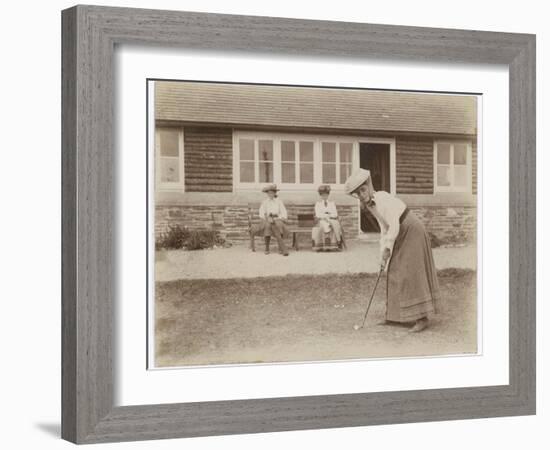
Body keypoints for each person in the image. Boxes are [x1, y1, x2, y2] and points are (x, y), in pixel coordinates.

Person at [344, 168, 442, 332]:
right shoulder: (370, 206)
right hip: (399, 231)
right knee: (394, 270)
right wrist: (383, 254)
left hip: (412, 229)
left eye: (363, 190)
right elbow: (384, 228)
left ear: (369, 186)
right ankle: (395, 316)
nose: (361, 195)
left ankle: (422, 318)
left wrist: (388, 247)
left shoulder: (382, 198)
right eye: (357, 193)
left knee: (410, 272)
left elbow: (394, 224)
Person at [257, 184, 289, 256]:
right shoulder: (265, 202)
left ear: (275, 193)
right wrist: (267, 218)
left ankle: (281, 248)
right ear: (267, 193)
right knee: (267, 226)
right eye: (269, 193)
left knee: (277, 225)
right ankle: (267, 248)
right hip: (268, 219)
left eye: (272, 193)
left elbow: (283, 212)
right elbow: (261, 212)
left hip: (277, 219)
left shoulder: (279, 202)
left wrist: (278, 218)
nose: (270, 194)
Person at [312, 184, 343, 251]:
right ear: (320, 195)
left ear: (328, 195)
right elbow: (318, 214)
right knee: (322, 225)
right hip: (322, 220)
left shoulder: (332, 204)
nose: (324, 196)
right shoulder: (318, 204)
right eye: (323, 195)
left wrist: (329, 216)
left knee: (334, 224)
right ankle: (322, 246)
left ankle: (335, 244)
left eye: (326, 195)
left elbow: (335, 214)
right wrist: (326, 216)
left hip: (331, 219)